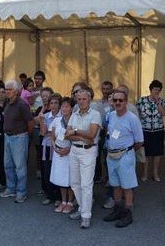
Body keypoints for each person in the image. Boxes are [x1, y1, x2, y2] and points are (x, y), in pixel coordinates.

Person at [103, 89, 144, 228]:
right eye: (115, 100)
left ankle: (128, 214)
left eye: (121, 100)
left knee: (127, 186)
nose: (118, 102)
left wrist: (127, 152)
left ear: (126, 101)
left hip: (125, 156)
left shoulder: (132, 118)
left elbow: (139, 141)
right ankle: (118, 210)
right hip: (111, 155)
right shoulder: (111, 115)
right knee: (115, 185)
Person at [65, 88, 101, 229]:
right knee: (74, 183)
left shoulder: (95, 114)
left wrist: (75, 131)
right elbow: (67, 134)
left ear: (89, 99)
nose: (81, 102)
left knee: (86, 184)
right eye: (79, 99)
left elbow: (92, 135)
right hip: (74, 150)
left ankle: (86, 215)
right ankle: (82, 207)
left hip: (88, 152)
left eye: (84, 99)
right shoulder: (74, 114)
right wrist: (80, 135)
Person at [0, 80, 33, 203]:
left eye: (9, 90)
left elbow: (30, 122)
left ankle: (21, 192)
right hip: (7, 137)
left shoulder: (22, 104)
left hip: (19, 138)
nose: (6, 91)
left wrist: (25, 135)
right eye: (6, 89)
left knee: (20, 167)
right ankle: (11, 188)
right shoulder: (8, 102)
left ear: (16, 91)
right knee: (8, 165)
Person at [136, 80, 165, 182]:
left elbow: (163, 113)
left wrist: (158, 102)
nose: (156, 92)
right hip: (145, 130)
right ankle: (145, 174)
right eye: (155, 89)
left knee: (157, 153)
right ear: (150, 89)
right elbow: (136, 114)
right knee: (146, 153)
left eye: (158, 90)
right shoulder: (142, 101)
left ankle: (155, 173)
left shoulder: (162, 101)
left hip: (158, 130)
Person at [50, 97, 76, 214]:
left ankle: (70, 202)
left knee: (70, 178)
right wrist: (54, 146)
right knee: (60, 178)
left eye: (67, 106)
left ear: (71, 108)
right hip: (58, 152)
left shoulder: (75, 121)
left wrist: (68, 149)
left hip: (70, 153)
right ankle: (63, 201)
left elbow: (77, 139)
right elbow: (52, 135)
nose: (65, 108)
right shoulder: (57, 120)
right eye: (63, 106)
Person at [38, 93, 61, 205]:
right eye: (51, 103)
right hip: (47, 146)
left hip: (60, 146)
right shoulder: (46, 116)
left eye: (56, 103)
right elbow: (43, 132)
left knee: (58, 171)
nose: (53, 105)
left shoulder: (63, 116)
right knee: (47, 171)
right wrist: (42, 120)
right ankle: (49, 195)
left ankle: (59, 197)